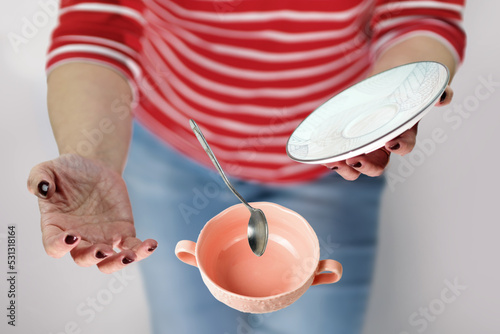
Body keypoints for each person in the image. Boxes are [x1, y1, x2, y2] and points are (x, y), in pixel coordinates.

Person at [27, 1, 465, 333]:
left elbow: (419, 17)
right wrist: (94, 156)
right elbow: (98, 29)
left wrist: (398, 100)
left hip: (335, 165)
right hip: (168, 156)